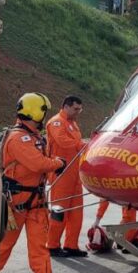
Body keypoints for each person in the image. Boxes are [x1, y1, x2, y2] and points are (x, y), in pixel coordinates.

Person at [0, 93, 71, 273]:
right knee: (4, 246)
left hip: (35, 202)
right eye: (43, 112)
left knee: (40, 247)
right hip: (17, 204)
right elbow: (38, 164)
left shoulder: (33, 137)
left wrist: (54, 165)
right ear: (36, 112)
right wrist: (58, 162)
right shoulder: (18, 138)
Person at [46, 95, 88, 257]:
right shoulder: (56, 122)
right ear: (66, 106)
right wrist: (82, 145)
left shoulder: (73, 124)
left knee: (76, 212)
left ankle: (71, 245)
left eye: (80, 109)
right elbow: (63, 142)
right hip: (61, 174)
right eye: (76, 109)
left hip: (75, 174)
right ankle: (52, 245)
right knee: (59, 211)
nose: (78, 112)